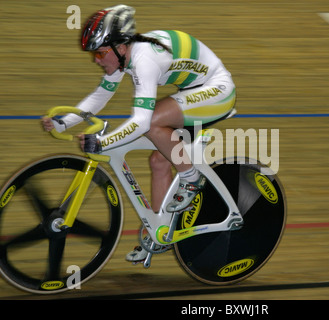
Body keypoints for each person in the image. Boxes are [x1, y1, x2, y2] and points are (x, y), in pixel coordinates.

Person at [41, 4, 236, 262]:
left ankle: (191, 178)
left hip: (217, 91)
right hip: (194, 92)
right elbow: (101, 96)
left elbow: (142, 123)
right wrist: (64, 123)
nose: (96, 60)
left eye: (99, 54)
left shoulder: (145, 61)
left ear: (120, 47)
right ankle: (158, 233)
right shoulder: (124, 56)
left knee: (154, 123)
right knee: (158, 160)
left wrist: (103, 142)